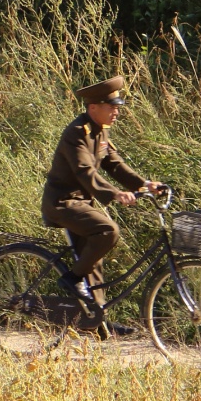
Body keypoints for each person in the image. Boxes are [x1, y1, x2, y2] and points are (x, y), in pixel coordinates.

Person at [43, 75, 162, 308]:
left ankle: (97, 320)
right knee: (108, 230)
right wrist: (115, 194)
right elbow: (84, 171)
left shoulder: (101, 130)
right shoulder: (76, 133)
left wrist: (144, 185)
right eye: (112, 108)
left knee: (93, 260)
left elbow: (114, 164)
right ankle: (72, 279)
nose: (116, 112)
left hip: (81, 205)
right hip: (63, 204)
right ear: (93, 107)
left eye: (117, 107)